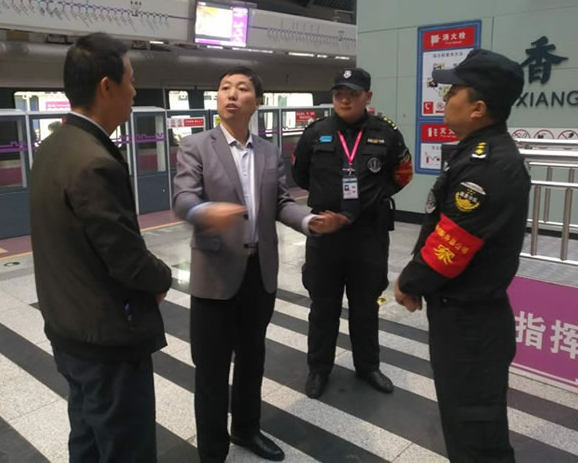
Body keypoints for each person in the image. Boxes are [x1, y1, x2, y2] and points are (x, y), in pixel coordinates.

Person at [172, 66, 347, 463]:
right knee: (212, 368)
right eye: (224, 88)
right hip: (216, 274)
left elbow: (281, 201)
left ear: (257, 102)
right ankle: (213, 451)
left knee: (252, 357)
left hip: (259, 271)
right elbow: (183, 198)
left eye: (242, 88)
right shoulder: (196, 145)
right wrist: (204, 211)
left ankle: (247, 429)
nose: (231, 94)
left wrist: (309, 221)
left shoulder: (268, 151)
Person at [30, 32, 172, 463]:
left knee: (87, 437)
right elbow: (125, 257)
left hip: (67, 328)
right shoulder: (94, 161)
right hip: (106, 339)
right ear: (107, 86)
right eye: (131, 80)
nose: (135, 91)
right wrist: (163, 278)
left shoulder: (53, 146)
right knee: (125, 446)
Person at [394, 49, 529, 462]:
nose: (445, 97)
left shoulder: (488, 165)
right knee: (468, 422)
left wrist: (409, 282)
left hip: (472, 324)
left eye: (453, 91)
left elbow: (452, 244)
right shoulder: (478, 153)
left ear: (478, 108)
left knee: (475, 433)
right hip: (465, 317)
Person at [292, 67, 413, 399]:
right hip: (325, 234)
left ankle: (368, 366)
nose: (344, 100)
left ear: (367, 97)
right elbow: (300, 174)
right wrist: (329, 199)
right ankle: (319, 369)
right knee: (323, 305)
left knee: (366, 305)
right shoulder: (315, 133)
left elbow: (403, 173)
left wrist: (374, 197)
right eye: (339, 94)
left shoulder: (386, 133)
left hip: (368, 235)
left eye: (353, 94)